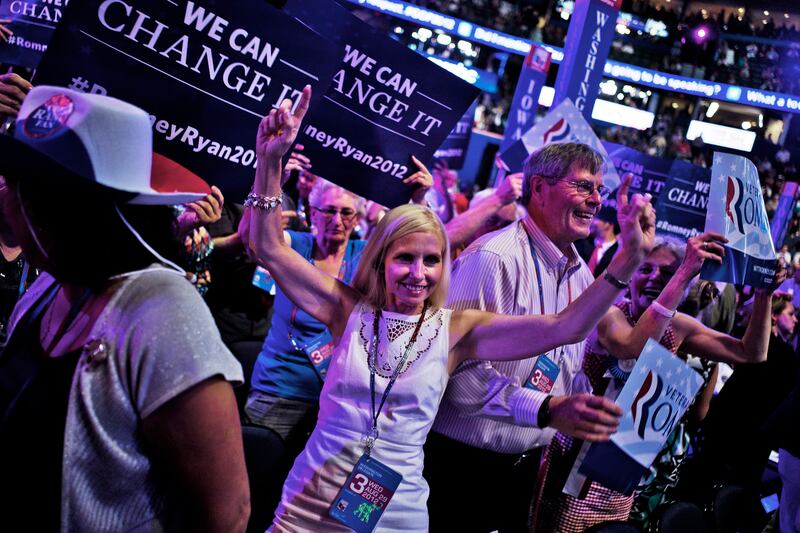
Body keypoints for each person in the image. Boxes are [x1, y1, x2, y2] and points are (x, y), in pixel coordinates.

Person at [243, 86, 654, 532]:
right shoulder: (346, 309)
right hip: (314, 495)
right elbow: (267, 246)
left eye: (432, 260)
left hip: (397, 506)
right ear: (380, 260)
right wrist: (269, 162)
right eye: (405, 258)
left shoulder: (456, 330)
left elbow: (567, 326)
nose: (418, 273)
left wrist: (628, 259)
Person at [0, 86, 249, 531]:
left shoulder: (162, 307)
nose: (4, 196)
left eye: (15, 184)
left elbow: (226, 514)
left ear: (60, 208)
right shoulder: (48, 287)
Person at [425, 142, 643, 532]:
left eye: (600, 190)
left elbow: (576, 363)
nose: (596, 200)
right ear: (539, 188)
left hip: (523, 468)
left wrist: (581, 404)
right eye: (583, 186)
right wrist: (547, 408)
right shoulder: (494, 258)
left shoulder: (577, 272)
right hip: (462, 466)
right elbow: (456, 375)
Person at [534, 233, 784, 532]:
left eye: (666, 273)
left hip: (623, 467)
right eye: (646, 269)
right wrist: (681, 273)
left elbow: (751, 353)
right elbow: (631, 347)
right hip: (573, 464)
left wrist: (763, 294)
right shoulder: (611, 313)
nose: (654, 278)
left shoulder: (678, 327)